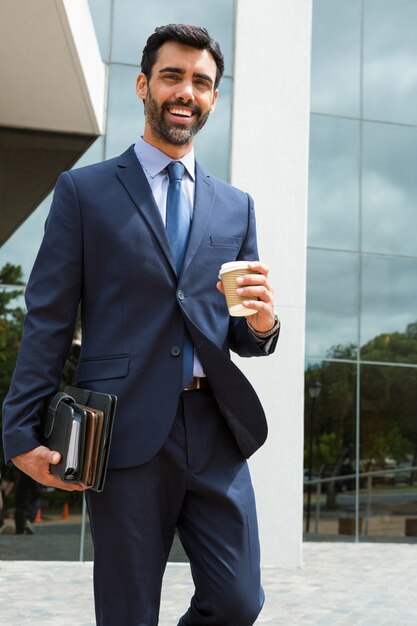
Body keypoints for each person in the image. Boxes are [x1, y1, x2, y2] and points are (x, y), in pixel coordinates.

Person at [2, 24, 280, 626]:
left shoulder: (237, 206)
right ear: (143, 85)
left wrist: (262, 323)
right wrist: (20, 432)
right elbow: (49, 320)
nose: (187, 91)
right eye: (173, 76)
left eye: (201, 82)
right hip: (122, 430)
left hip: (215, 431)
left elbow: (239, 333)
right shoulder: (85, 192)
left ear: (212, 97)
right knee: (128, 612)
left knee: (238, 601)